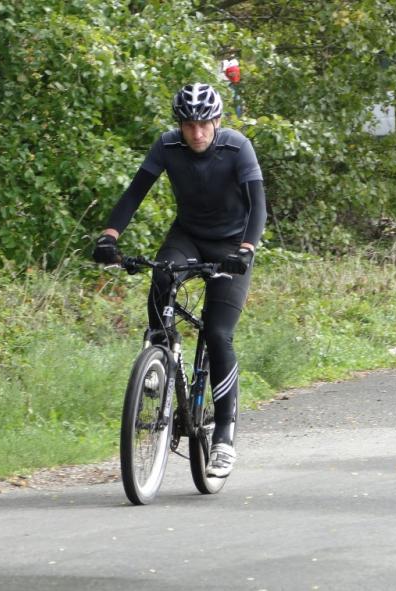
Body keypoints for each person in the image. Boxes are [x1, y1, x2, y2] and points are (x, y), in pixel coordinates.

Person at [92, 82, 266, 478]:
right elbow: (135, 193)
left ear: (217, 121)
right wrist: (109, 236)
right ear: (180, 125)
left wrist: (246, 249)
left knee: (218, 334)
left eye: (204, 124)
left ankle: (224, 437)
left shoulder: (237, 148)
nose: (197, 133)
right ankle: (159, 357)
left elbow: (258, 206)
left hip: (231, 246)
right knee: (162, 275)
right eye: (189, 125)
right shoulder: (167, 146)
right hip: (187, 236)